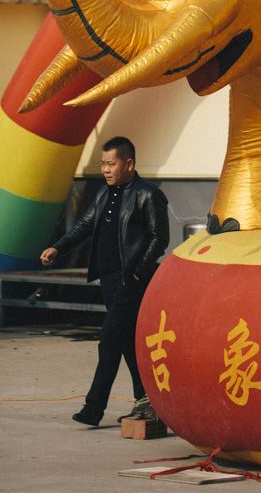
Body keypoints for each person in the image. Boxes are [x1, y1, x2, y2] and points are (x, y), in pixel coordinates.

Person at [40, 137, 169, 427]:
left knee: (109, 340)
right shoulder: (104, 193)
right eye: (103, 164)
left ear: (129, 164)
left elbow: (160, 237)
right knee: (126, 341)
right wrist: (58, 248)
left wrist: (136, 272)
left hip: (131, 281)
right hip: (109, 279)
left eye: (111, 164)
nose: (106, 170)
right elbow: (85, 225)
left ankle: (93, 408)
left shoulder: (148, 194)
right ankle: (146, 399)